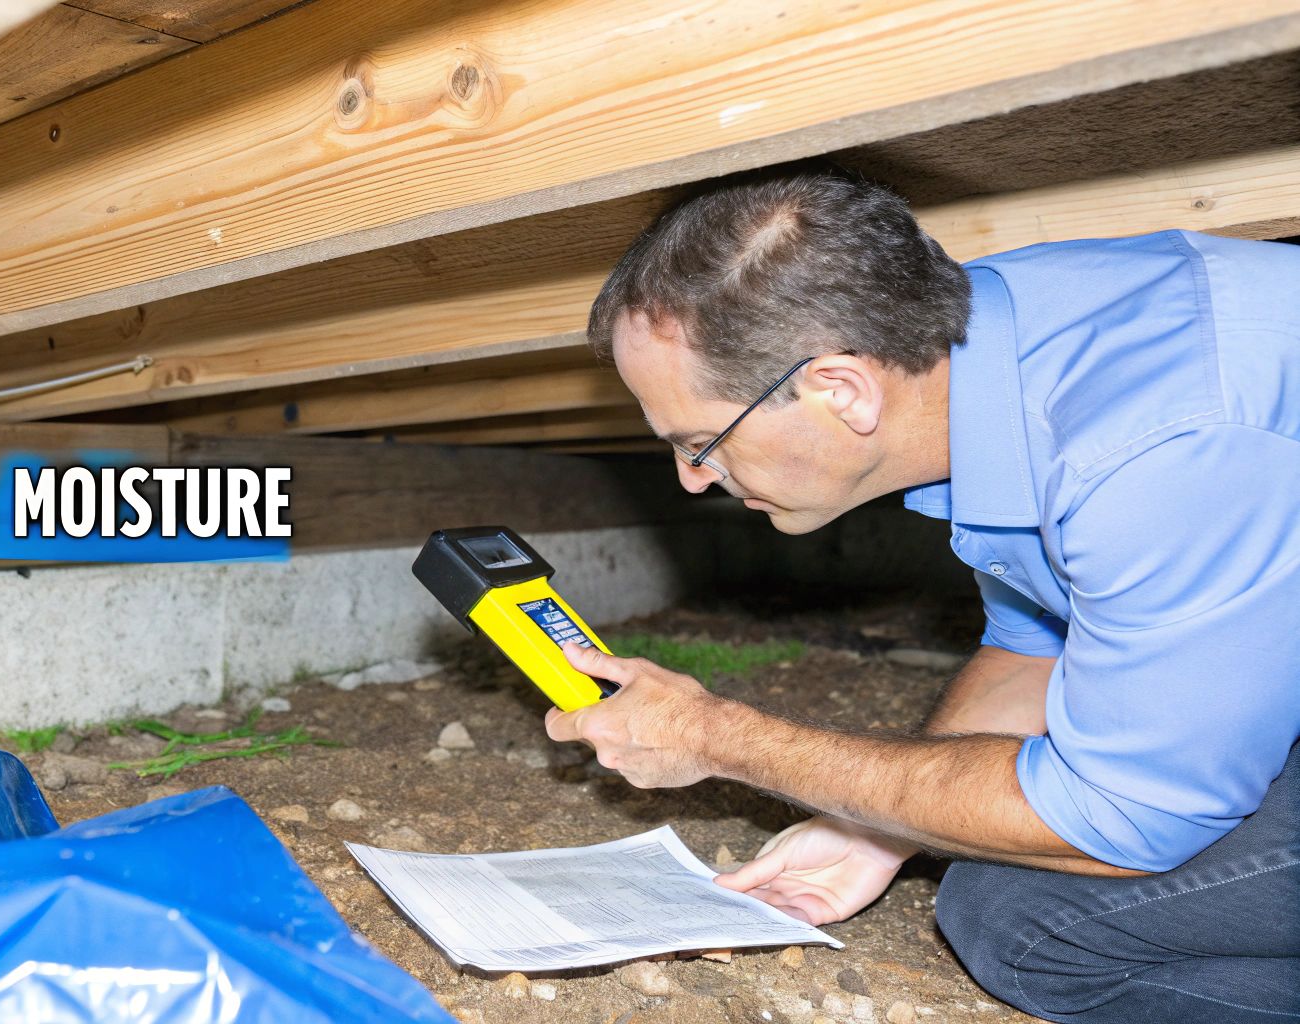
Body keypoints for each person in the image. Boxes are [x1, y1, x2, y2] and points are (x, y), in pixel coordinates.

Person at [547, 174, 1300, 1022]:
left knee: (1022, 922)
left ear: (841, 391)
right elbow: (1033, 647)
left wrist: (718, 736)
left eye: (700, 440)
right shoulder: (989, 357)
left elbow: (1123, 821)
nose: (691, 480)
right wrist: (881, 826)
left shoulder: (1150, 452)